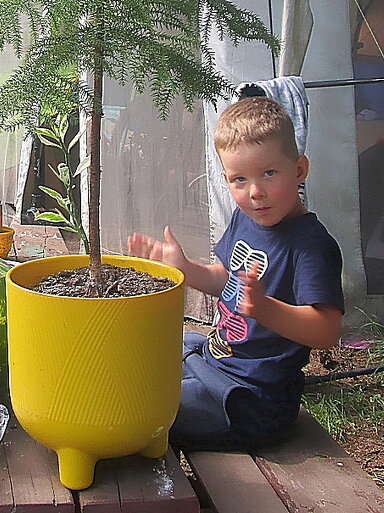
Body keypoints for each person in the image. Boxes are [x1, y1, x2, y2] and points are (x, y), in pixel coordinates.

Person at [127, 97, 344, 451]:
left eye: (269, 173)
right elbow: (227, 279)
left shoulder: (311, 246)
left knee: (140, 406)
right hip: (214, 360)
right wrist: (186, 270)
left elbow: (326, 330)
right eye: (239, 179)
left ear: (299, 169)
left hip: (252, 398)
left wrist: (265, 308)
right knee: (139, 353)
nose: (255, 192)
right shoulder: (248, 218)